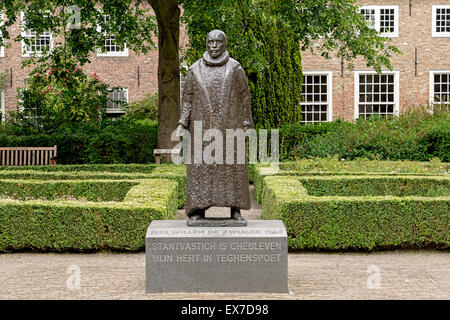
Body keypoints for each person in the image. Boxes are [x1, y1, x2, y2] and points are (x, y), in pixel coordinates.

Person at [175, 30, 254, 222]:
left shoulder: (235, 68)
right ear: (206, 44)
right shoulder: (194, 69)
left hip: (230, 127)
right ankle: (197, 210)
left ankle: (235, 210)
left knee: (232, 167)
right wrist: (182, 124)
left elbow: (245, 98)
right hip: (201, 129)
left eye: (218, 42)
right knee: (201, 168)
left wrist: (246, 123)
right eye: (210, 42)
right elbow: (187, 100)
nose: (214, 46)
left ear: (225, 44)